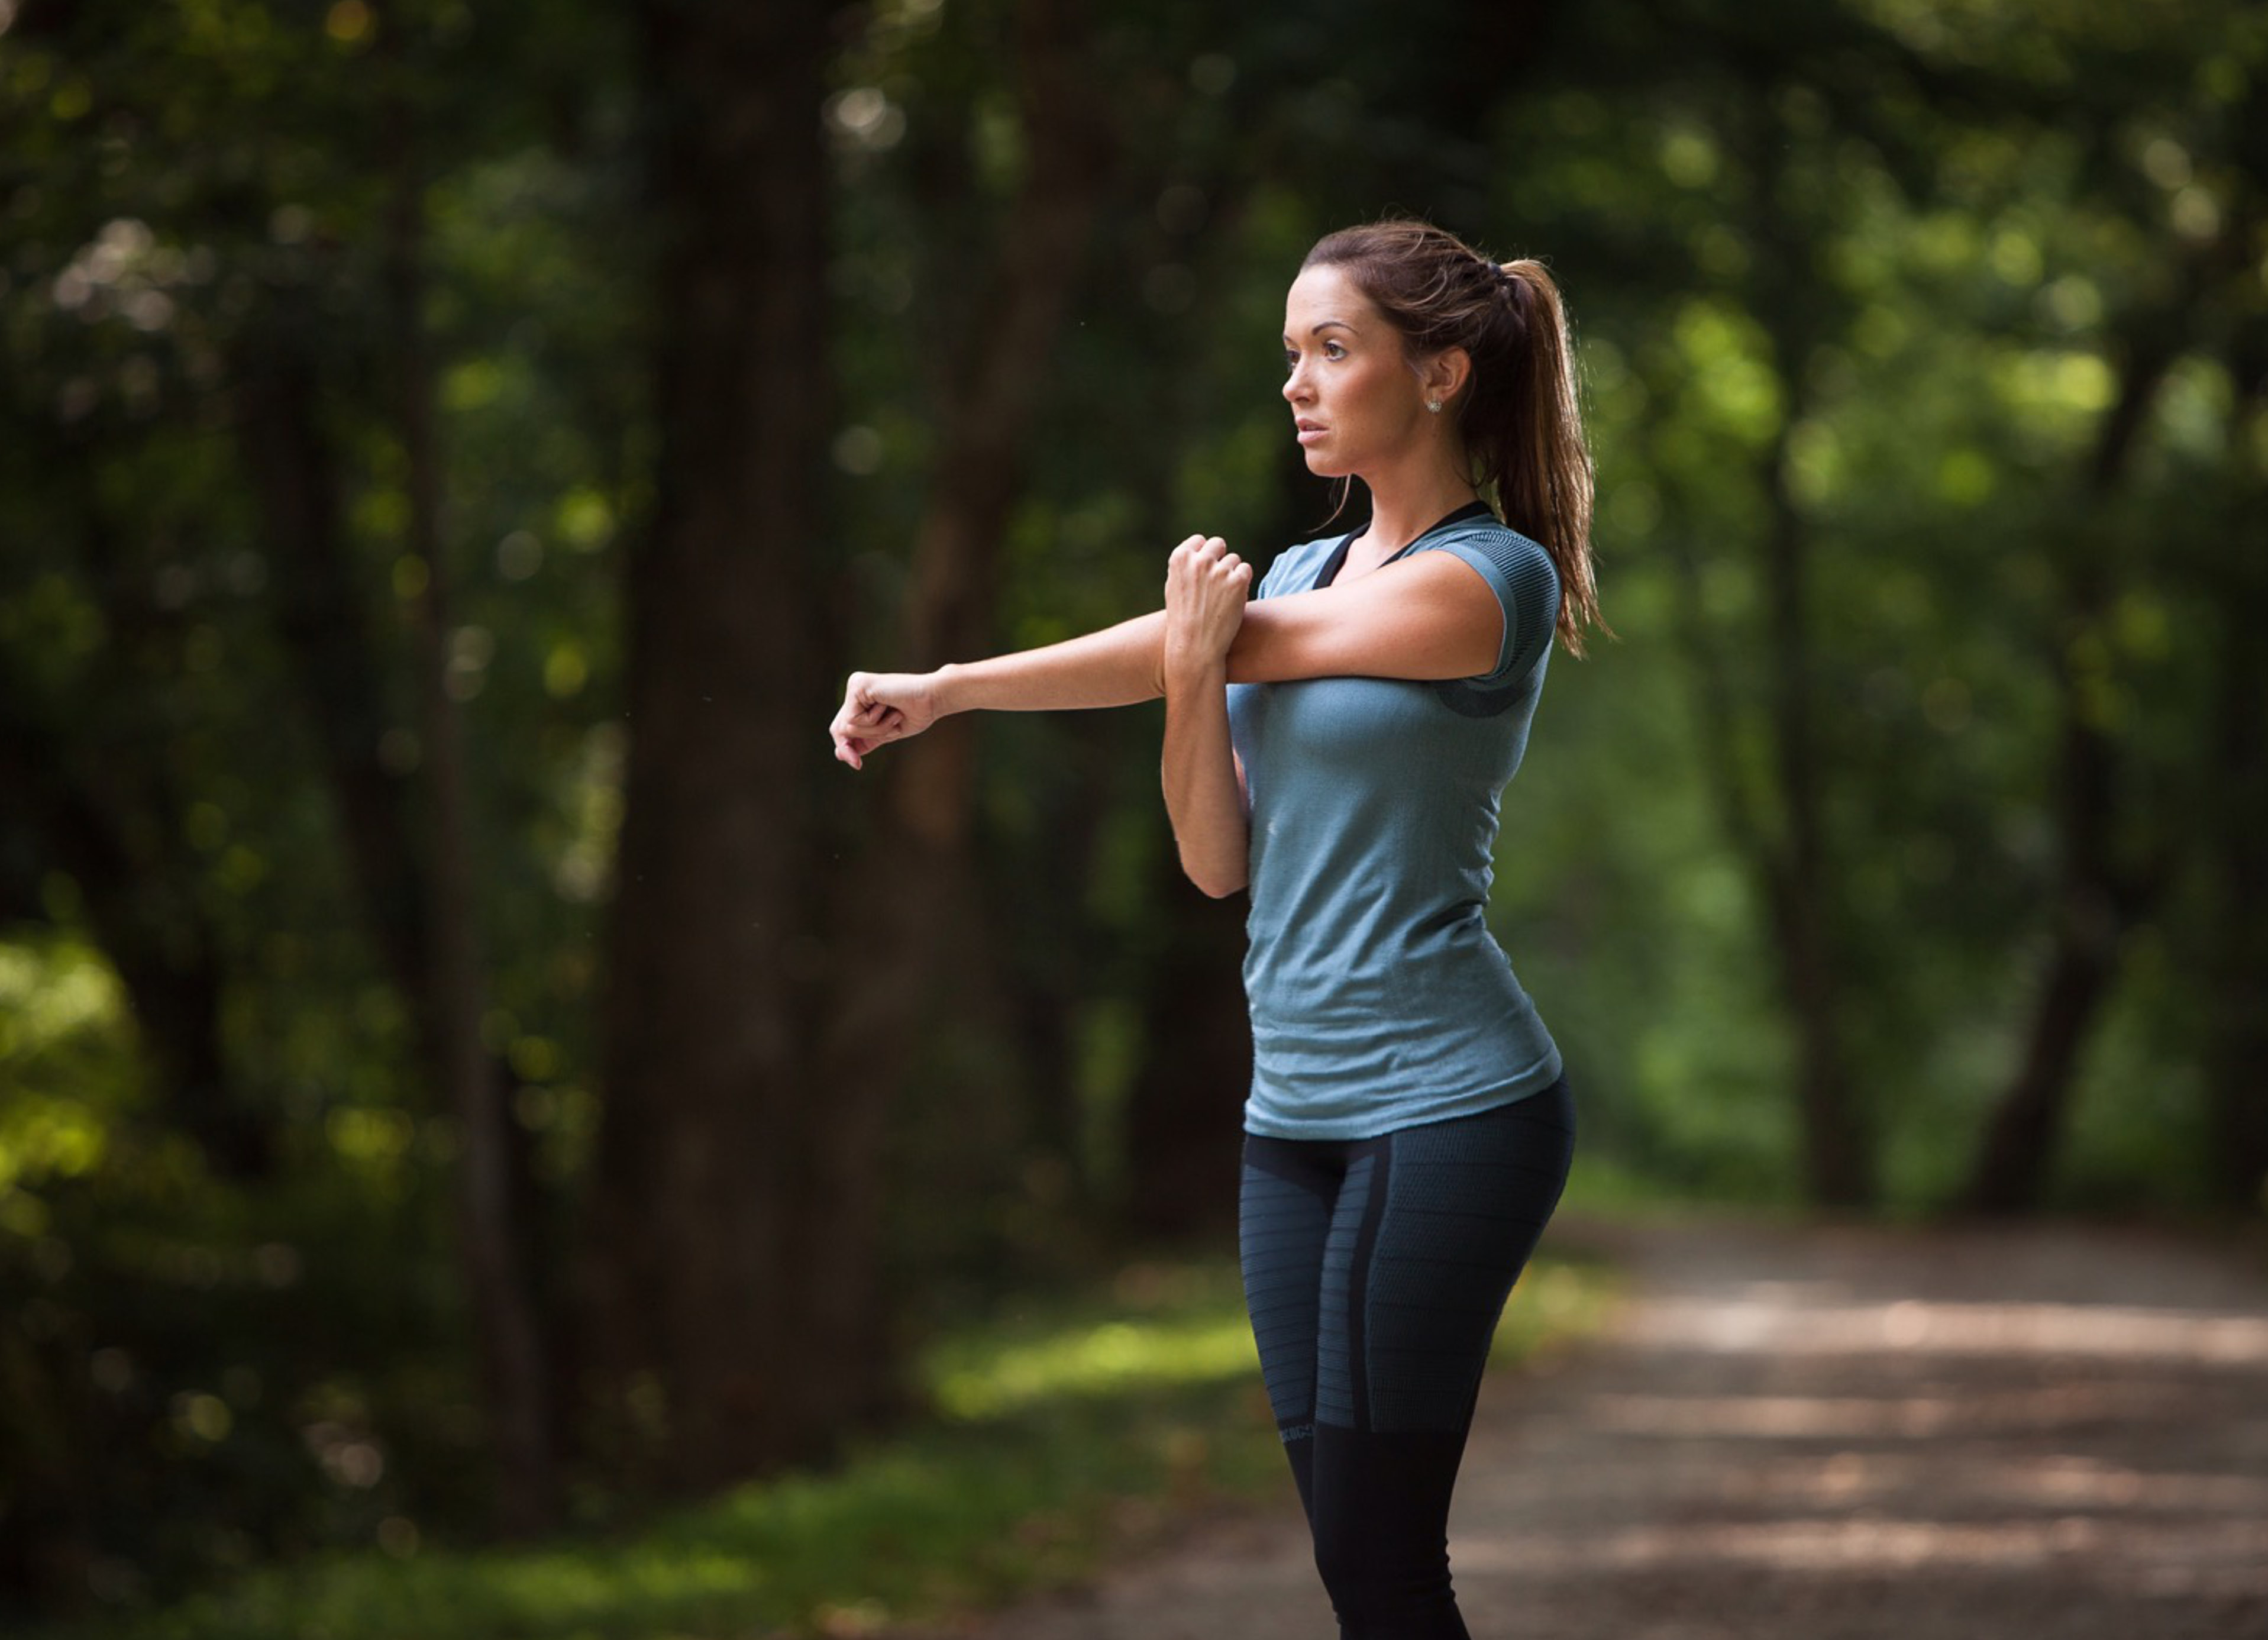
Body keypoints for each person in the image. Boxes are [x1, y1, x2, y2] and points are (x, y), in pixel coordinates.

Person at [829, 218, 1606, 1639]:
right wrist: (1174, 679)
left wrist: (955, 682)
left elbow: (1223, 642)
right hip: (1290, 1121)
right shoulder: (1300, 577)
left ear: (1438, 376)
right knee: (1347, 1560)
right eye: (1289, 357)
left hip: (1450, 1108)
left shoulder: (1489, 579)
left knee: (1383, 1562)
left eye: (1332, 350)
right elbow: (1211, 863)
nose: (1298, 386)